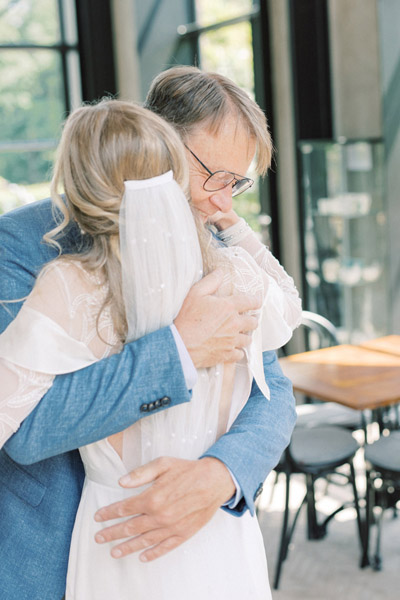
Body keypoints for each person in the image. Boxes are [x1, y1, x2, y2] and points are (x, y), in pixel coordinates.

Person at [0, 67, 300, 600]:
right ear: (153, 139)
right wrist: (178, 351)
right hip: (62, 553)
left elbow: (271, 387)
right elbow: (25, 428)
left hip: (209, 534)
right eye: (213, 176)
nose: (224, 205)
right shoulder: (19, 249)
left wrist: (223, 473)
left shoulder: (218, 248)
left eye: (237, 183)